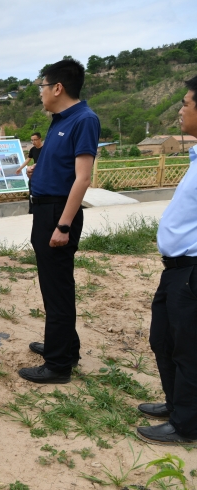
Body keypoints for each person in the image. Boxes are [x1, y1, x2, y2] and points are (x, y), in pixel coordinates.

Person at [17, 59, 99, 385]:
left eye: (42, 86)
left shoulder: (84, 119)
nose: (40, 92)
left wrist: (63, 225)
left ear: (58, 88)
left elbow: (83, 178)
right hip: (45, 209)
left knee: (58, 288)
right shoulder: (60, 121)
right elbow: (63, 167)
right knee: (53, 287)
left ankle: (58, 365)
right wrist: (39, 172)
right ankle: (63, 346)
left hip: (58, 213)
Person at [136, 76, 197, 445]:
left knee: (188, 348)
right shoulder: (195, 157)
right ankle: (176, 405)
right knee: (163, 339)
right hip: (175, 270)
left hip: (191, 269)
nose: (180, 110)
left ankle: (187, 424)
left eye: (186, 104)